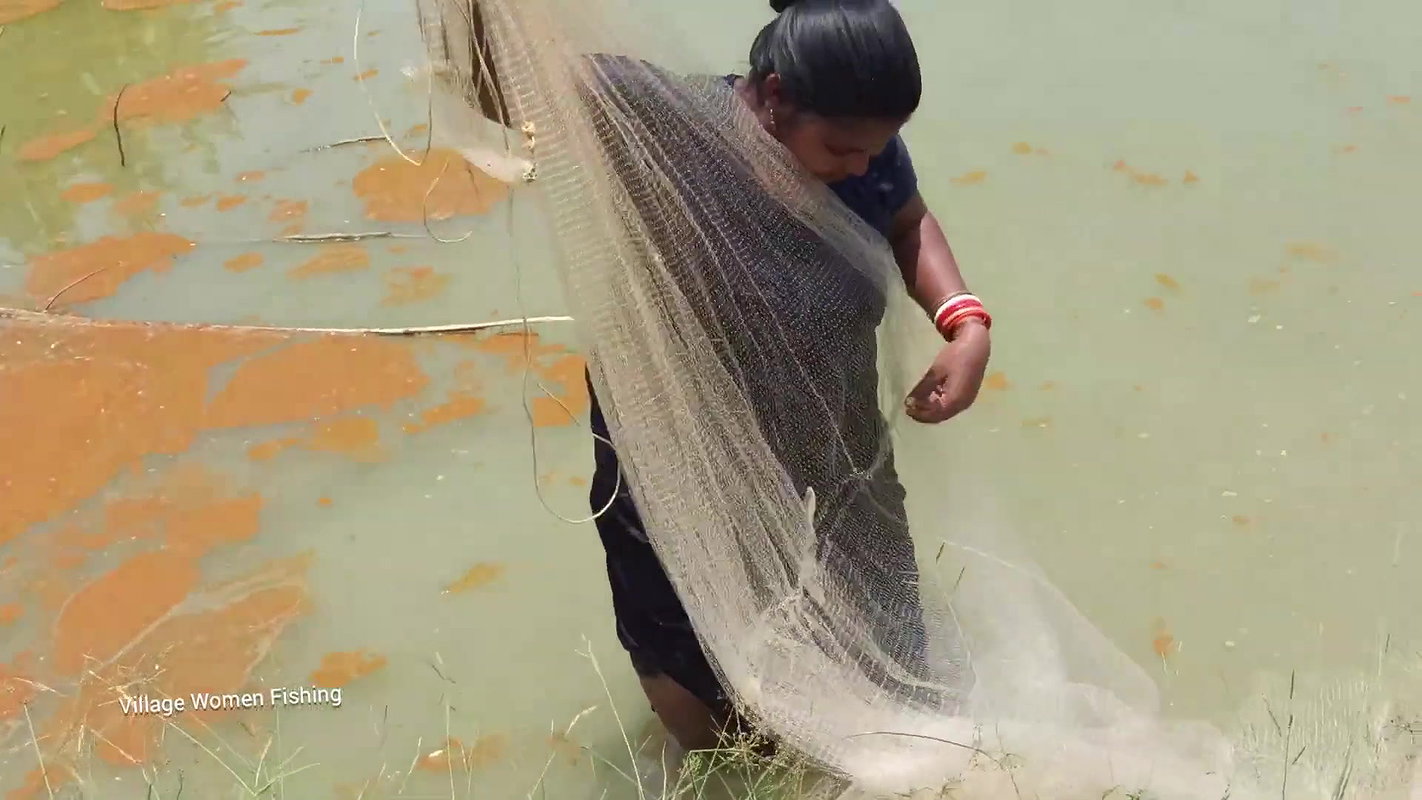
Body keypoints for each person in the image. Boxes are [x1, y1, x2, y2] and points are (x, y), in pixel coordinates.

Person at [450, 0, 992, 754]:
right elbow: (497, 85)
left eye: (879, 149)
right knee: (679, 624)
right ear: (773, 98)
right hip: (675, 441)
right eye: (840, 148)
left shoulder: (866, 153)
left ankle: (866, 741)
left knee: (883, 615)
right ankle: (725, 767)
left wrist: (965, 323)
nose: (864, 167)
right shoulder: (659, 120)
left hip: (828, 426)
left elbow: (907, 223)